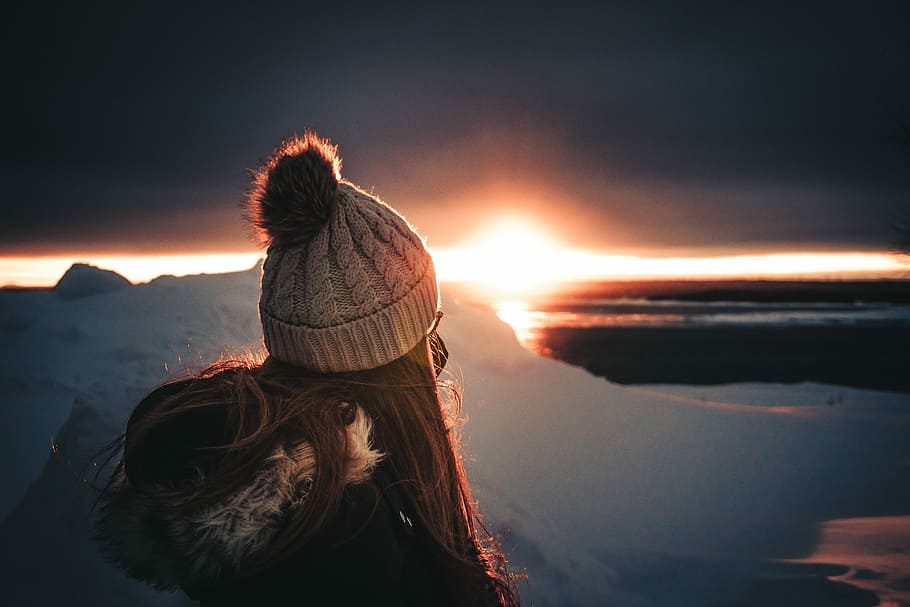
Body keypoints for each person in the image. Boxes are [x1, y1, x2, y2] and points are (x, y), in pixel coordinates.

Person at [93, 131, 520, 606]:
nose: (435, 360)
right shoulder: (351, 540)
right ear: (387, 362)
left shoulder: (250, 487)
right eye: (426, 338)